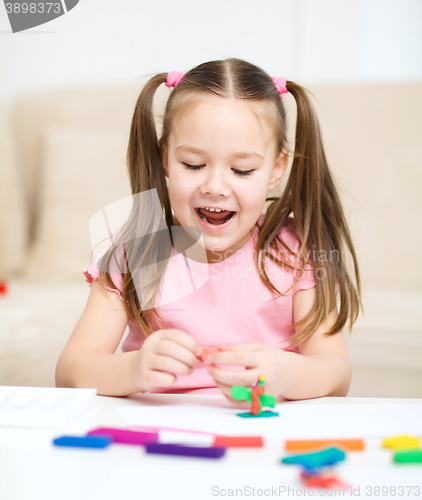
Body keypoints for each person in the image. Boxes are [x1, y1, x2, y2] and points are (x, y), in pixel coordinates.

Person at [55, 58, 361, 403]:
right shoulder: (133, 252)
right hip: (160, 436)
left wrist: (286, 373)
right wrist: (133, 369)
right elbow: (70, 370)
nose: (215, 186)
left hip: (265, 433)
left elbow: (337, 372)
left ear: (276, 169)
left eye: (242, 169)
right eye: (194, 164)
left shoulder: (297, 251)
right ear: (165, 158)